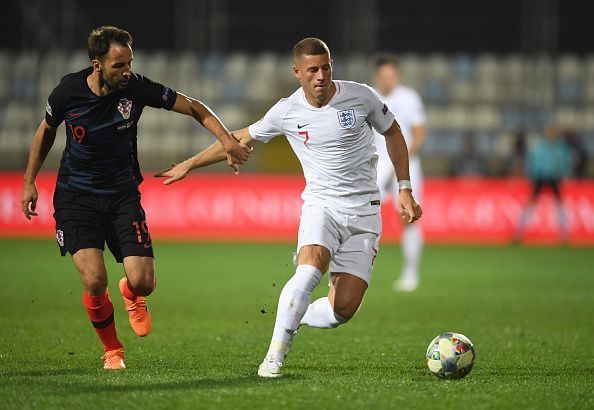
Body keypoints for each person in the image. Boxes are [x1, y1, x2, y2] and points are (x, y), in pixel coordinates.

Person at [156, 38, 422, 378]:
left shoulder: (362, 95)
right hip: (321, 205)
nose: (321, 76)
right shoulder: (286, 111)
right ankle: (274, 356)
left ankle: (297, 315)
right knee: (309, 269)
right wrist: (189, 164)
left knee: (343, 310)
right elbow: (238, 138)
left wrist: (404, 188)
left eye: (326, 67)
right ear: (297, 72)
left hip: (365, 211)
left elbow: (395, 133)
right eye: (312, 70)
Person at [21, 26, 251, 370]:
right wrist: (29, 181)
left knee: (145, 282)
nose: (127, 71)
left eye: (129, 63)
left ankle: (131, 293)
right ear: (97, 64)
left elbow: (195, 107)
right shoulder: (67, 92)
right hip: (76, 198)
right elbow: (47, 130)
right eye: (118, 65)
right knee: (95, 281)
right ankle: (112, 349)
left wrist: (228, 140)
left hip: (122, 196)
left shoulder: (136, 88)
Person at [372, 55, 427, 292]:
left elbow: (419, 131)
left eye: (391, 76)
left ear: (398, 76)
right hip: (376, 163)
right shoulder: (370, 96)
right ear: (377, 77)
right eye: (383, 77)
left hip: (406, 164)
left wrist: (403, 159)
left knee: (408, 217)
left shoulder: (408, 98)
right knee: (359, 213)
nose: (387, 81)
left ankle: (411, 273)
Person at [514, 126, 571, 244]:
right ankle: (519, 233)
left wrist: (564, 175)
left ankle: (563, 236)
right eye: (549, 132)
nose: (551, 135)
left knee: (559, 206)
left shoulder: (561, 148)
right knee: (530, 205)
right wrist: (531, 175)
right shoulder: (539, 147)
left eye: (553, 133)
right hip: (539, 178)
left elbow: (565, 163)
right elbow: (532, 161)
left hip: (555, 178)